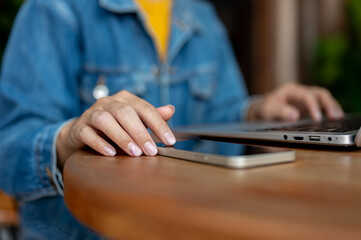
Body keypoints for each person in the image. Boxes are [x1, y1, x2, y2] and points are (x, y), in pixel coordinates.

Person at [0, 0, 344, 239]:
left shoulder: (202, 15)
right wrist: (69, 136)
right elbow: (9, 149)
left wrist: (256, 113)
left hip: (198, 228)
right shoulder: (53, 9)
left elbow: (219, 117)